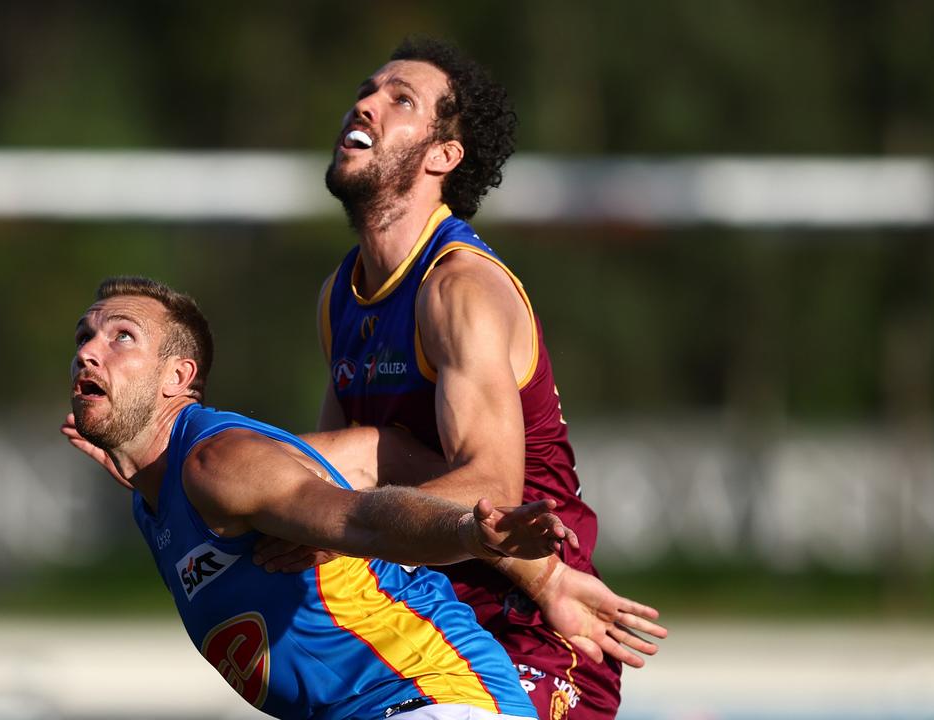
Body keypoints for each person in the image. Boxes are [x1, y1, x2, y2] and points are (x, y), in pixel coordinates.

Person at [285, 37, 661, 719]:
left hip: (530, 630)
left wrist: (331, 503)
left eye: (400, 99)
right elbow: (324, 482)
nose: (364, 104)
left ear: (442, 156)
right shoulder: (339, 293)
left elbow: (489, 493)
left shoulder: (459, 287)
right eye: (366, 90)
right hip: (419, 625)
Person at [68, 275, 579, 720]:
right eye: (84, 337)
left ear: (177, 377)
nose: (88, 352)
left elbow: (365, 520)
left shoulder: (218, 463)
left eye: (122, 338)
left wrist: (471, 532)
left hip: (431, 698)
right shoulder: (156, 492)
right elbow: (377, 450)